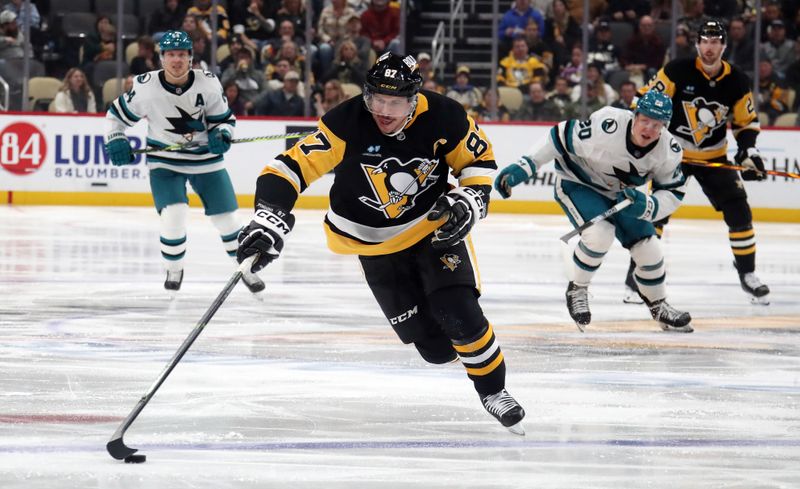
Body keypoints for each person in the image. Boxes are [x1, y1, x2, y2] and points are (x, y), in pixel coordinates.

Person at [235, 52, 526, 434]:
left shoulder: (445, 116)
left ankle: (494, 391)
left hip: (432, 228)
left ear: (414, 98)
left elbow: (478, 161)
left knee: (458, 311)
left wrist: (472, 198)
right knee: (436, 351)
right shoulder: (346, 120)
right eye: (377, 100)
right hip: (370, 243)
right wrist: (269, 215)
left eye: (395, 102)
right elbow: (288, 168)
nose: (384, 111)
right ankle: (463, 350)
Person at [494, 90, 694, 333]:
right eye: (645, 120)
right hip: (578, 182)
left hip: (621, 195)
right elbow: (559, 136)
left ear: (665, 126)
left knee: (649, 247)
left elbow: (673, 193)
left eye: (657, 124)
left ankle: (658, 305)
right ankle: (578, 288)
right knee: (600, 234)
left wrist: (647, 206)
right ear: (635, 115)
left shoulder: (669, 150)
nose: (649, 129)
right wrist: (526, 165)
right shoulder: (608, 125)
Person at [103, 30, 265, 294]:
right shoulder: (145, 86)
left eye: (181, 54)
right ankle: (173, 268)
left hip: (206, 160)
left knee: (228, 220)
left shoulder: (209, 83)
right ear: (161, 58)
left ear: (190, 58)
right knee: (173, 215)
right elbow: (115, 116)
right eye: (170, 55)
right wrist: (115, 138)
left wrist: (222, 134)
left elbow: (224, 120)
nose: (176, 60)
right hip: (165, 161)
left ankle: (245, 268)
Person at [623, 19, 771, 305]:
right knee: (655, 215)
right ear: (697, 44)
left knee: (739, 211)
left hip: (713, 156)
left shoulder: (737, 80)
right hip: (674, 155)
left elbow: (746, 123)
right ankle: (637, 277)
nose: (709, 47)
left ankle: (748, 274)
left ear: (724, 46)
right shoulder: (678, 70)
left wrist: (749, 152)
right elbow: (644, 100)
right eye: (705, 41)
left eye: (715, 41)